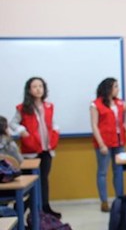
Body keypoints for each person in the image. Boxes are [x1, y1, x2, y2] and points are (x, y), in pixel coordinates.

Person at [9, 77, 61, 218]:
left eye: (41, 86)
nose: (38, 89)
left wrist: (56, 130)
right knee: (30, 184)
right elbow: (13, 123)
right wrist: (21, 130)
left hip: (46, 150)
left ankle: (45, 208)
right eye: (35, 86)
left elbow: (53, 123)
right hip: (31, 152)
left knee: (44, 180)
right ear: (29, 90)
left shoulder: (48, 106)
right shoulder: (23, 108)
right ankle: (19, 210)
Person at [90, 77, 126, 212]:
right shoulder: (96, 104)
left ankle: (119, 199)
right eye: (115, 87)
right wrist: (101, 144)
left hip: (119, 141)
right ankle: (104, 201)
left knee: (118, 171)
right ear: (108, 88)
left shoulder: (120, 103)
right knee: (102, 172)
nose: (118, 89)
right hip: (104, 143)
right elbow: (94, 125)